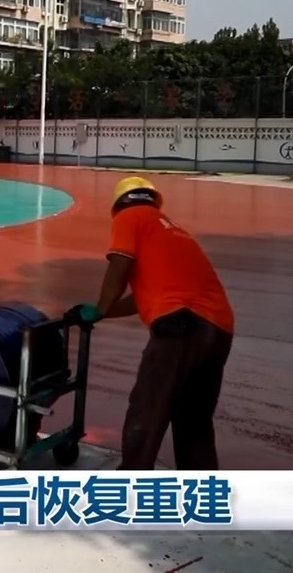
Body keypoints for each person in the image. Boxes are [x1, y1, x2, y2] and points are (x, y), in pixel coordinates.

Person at [67, 175, 235, 470]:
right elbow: (143, 297)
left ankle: (131, 483)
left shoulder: (130, 216)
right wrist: (103, 311)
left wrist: (100, 307)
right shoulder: (172, 230)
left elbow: (120, 265)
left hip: (180, 327)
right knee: (194, 422)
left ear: (119, 204)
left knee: (147, 412)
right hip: (219, 329)